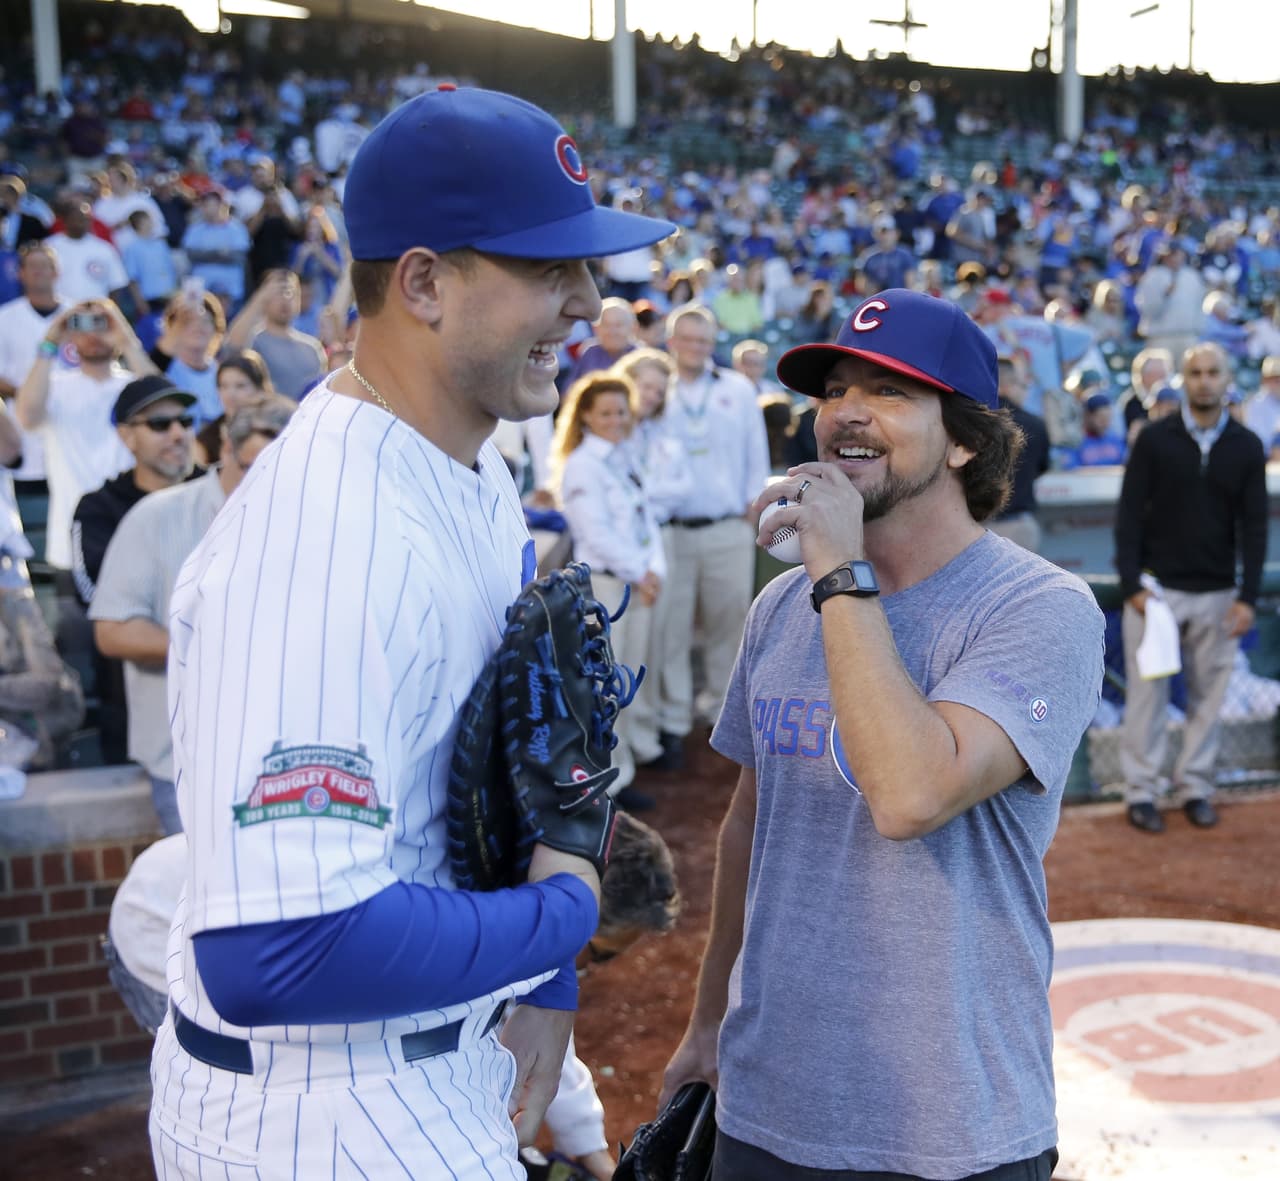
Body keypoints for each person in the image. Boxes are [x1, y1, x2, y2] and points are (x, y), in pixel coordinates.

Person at [148, 84, 674, 1180]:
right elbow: (278, 952)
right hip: (316, 1117)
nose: (585, 301)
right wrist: (561, 915)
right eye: (546, 267)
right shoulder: (323, 541)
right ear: (425, 281)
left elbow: (494, 773)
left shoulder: (467, 465)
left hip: (420, 1060)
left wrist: (541, 980)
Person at [661, 288, 1104, 1181]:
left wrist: (837, 572)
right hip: (765, 1103)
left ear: (966, 438)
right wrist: (708, 1023)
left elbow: (910, 794)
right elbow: (750, 827)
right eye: (834, 391)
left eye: (892, 390)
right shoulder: (781, 605)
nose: (848, 414)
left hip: (947, 1127)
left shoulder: (1040, 608)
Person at [91, 396, 295, 835]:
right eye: (253, 469)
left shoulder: (306, 520)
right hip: (188, 762)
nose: (266, 485)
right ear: (225, 450)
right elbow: (113, 631)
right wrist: (217, 642)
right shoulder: (156, 517)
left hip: (284, 759)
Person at [1115, 342, 1267, 834]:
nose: (1204, 380)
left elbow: (1256, 526)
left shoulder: (1245, 445)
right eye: (1195, 372)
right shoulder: (1155, 439)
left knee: (1208, 699)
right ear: (1184, 379)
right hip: (1157, 592)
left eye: (1213, 372)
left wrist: (1247, 597)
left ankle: (1197, 788)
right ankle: (1141, 791)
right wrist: (1131, 583)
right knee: (1147, 698)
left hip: (1219, 592)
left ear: (1226, 380)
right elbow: (1128, 516)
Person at [648, 303, 770, 747]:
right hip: (672, 530)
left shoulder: (736, 388)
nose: (697, 348)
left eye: (705, 340)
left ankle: (722, 712)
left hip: (727, 526)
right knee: (671, 627)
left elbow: (756, 448)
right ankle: (675, 718)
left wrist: (752, 504)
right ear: (671, 341)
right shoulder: (658, 387)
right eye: (689, 339)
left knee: (730, 622)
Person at [550, 372, 666, 813]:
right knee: (607, 686)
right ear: (584, 418)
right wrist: (640, 571)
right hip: (607, 585)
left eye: (622, 411)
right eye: (606, 413)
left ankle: (625, 767)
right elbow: (593, 533)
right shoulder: (583, 464)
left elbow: (644, 517)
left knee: (629, 678)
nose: (616, 420)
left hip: (636, 580)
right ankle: (610, 785)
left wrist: (652, 569)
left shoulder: (622, 457)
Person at [71, 375, 200, 765]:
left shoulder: (219, 493)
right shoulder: (99, 507)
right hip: (134, 695)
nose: (177, 433)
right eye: (160, 424)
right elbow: (95, 595)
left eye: (185, 421)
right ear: (127, 437)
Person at [224, 268, 326, 399]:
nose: (284, 299)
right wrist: (260, 298)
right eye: (277, 293)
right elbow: (233, 347)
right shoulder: (255, 340)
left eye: (290, 292)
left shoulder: (312, 347)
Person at [989, 355, 1050, 552]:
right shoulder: (1035, 424)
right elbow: (1042, 467)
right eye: (1022, 385)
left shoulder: (968, 422)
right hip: (1017, 524)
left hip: (973, 525)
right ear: (1007, 385)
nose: (1025, 392)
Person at [567, 297, 637, 384]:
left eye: (618, 325)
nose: (612, 332)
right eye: (606, 325)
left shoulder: (641, 357)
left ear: (633, 328)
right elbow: (570, 390)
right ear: (596, 329)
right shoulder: (590, 353)